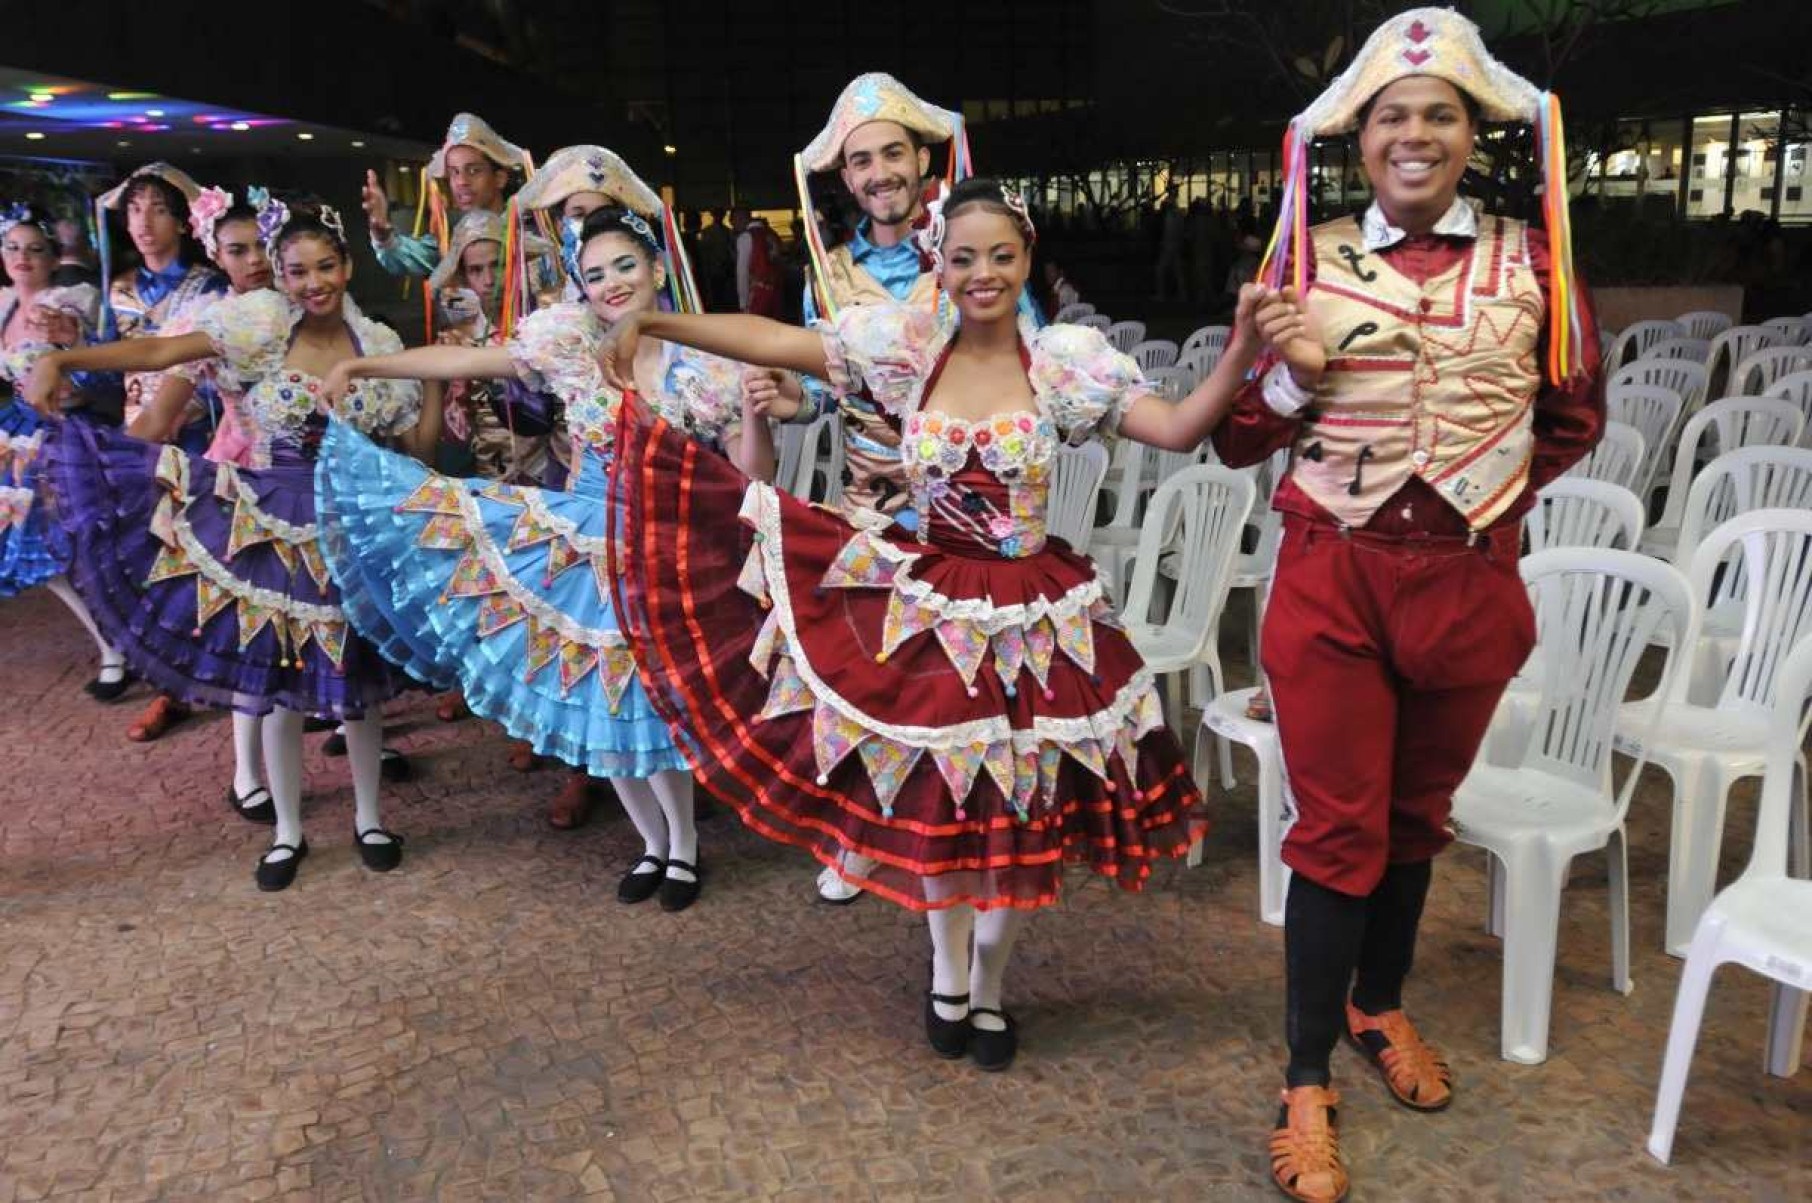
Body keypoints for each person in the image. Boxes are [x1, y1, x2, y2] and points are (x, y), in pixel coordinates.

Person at [600, 177, 1265, 1068]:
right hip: (931, 600)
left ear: (1027, 261)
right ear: (939, 267)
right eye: (963, 257)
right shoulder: (905, 348)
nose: (982, 273)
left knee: (1017, 809)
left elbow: (1179, 428)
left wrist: (1245, 345)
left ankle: (988, 977)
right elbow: (773, 340)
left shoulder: (1065, 361)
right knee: (947, 799)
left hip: (1038, 616)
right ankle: (950, 971)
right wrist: (657, 324)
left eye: (1001, 255)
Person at [1210, 11, 1605, 1201]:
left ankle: (1380, 1006)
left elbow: (1573, 418)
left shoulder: (1541, 261)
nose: (1417, 134)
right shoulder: (1300, 257)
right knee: (1338, 833)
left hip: (1470, 579)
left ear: (1473, 134)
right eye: (1393, 116)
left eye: (1440, 114)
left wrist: (1471, 506)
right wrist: (1288, 376)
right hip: (1333, 574)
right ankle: (1304, 1077)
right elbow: (1236, 436)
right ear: (1361, 141)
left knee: (1417, 816)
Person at [316, 179, 775, 915]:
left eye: (624, 265)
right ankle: (652, 842)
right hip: (582, 538)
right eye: (594, 274)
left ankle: (683, 845)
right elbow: (465, 363)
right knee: (596, 695)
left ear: (655, 265)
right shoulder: (567, 347)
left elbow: (754, 478)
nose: (612, 284)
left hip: (668, 543)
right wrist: (368, 366)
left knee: (650, 705)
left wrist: (756, 417)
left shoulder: (706, 363)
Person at [28, 200, 428, 892]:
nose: (313, 282)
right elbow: (159, 352)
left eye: (326, 266)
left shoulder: (380, 343)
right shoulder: (261, 326)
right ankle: (288, 831)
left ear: (348, 266)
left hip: (351, 522)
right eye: (297, 270)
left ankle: (370, 819)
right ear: (280, 274)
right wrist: (67, 355)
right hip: (268, 517)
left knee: (356, 681)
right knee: (277, 685)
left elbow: (409, 443)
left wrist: (435, 393)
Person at [780, 72, 1041, 903]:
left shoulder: (971, 252)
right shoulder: (827, 272)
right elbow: (822, 384)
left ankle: (965, 833)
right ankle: (864, 833)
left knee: (964, 684)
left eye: (892, 152)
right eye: (860, 162)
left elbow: (1024, 363)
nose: (878, 173)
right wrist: (787, 399)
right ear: (846, 178)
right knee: (872, 680)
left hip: (966, 513)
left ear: (922, 157)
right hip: (871, 507)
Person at [0, 202, 126, 696]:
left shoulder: (69, 301)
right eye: (13, 248)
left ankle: (124, 642)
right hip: (18, 437)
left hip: (68, 433)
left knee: (81, 551)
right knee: (38, 556)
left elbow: (95, 373)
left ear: (54, 257)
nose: (23, 258)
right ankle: (112, 643)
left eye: (35, 249)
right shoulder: (5, 304)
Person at [360, 112, 531, 281]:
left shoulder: (527, 231)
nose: (461, 181)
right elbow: (403, 257)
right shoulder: (451, 240)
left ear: (499, 178)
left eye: (473, 170)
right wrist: (383, 237)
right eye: (454, 172)